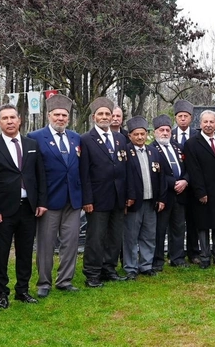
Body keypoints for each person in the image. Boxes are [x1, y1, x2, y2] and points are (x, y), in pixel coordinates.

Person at [0, 104, 47, 309]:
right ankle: (1, 293)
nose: (9, 121)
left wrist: (41, 202)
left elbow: (40, 175)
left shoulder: (32, 144)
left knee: (25, 251)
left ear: (19, 120)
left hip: (28, 208)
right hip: (4, 210)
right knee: (1, 253)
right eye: (5, 118)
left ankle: (23, 290)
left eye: (13, 117)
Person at [28, 94, 83, 298]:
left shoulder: (75, 138)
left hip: (72, 199)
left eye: (64, 115)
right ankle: (44, 282)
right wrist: (38, 200)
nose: (60, 118)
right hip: (49, 200)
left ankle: (65, 280)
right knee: (46, 243)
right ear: (48, 115)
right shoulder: (35, 137)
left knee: (71, 242)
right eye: (57, 114)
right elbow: (32, 172)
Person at [79, 97, 129, 287]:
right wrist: (87, 199)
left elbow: (125, 169)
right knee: (96, 237)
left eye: (108, 114)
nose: (105, 117)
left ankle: (109, 269)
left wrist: (126, 196)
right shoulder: (86, 139)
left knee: (115, 236)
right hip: (97, 198)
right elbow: (84, 173)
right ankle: (92, 273)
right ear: (94, 117)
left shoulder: (120, 138)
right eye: (100, 114)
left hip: (118, 196)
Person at [183, 110, 215, 268]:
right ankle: (204, 257)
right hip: (203, 192)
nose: (208, 125)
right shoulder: (192, 143)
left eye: (211, 122)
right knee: (203, 225)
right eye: (205, 122)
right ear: (200, 124)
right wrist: (200, 192)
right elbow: (193, 170)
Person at [123, 117, 169, 279]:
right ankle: (130, 267)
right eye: (136, 134)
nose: (140, 137)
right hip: (134, 202)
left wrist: (161, 198)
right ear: (130, 136)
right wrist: (127, 197)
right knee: (131, 236)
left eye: (142, 134)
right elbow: (124, 178)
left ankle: (146, 265)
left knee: (149, 235)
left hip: (151, 202)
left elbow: (161, 177)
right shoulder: (125, 152)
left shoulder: (153, 151)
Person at [151, 114, 189, 270]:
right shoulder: (152, 149)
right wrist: (174, 183)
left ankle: (177, 258)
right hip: (163, 195)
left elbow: (188, 167)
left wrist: (185, 180)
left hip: (180, 194)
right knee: (160, 229)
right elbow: (156, 173)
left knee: (178, 227)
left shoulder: (178, 147)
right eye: (162, 130)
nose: (165, 133)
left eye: (167, 130)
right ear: (155, 132)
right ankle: (157, 260)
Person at [172, 99, 201, 264]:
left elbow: (198, 164)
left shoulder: (197, 136)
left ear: (191, 118)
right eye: (180, 116)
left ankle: (194, 253)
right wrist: (178, 182)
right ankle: (176, 254)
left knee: (193, 221)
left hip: (192, 186)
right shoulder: (169, 135)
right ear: (175, 118)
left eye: (186, 116)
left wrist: (186, 180)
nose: (183, 119)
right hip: (175, 187)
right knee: (176, 223)